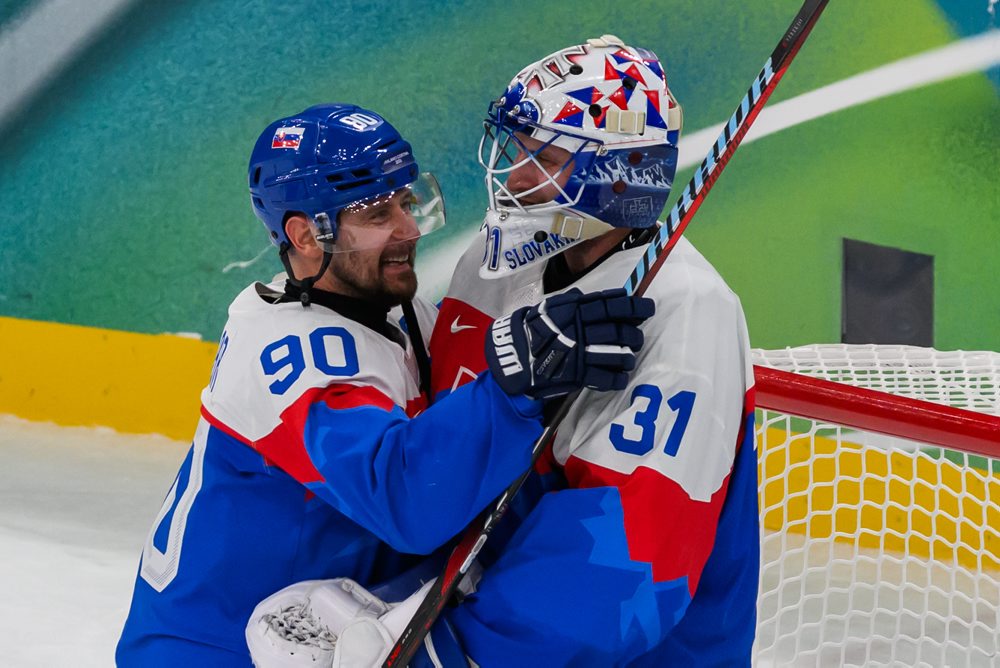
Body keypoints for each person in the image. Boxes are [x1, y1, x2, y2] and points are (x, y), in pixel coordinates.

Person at [247, 36, 759, 667]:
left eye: (544, 158)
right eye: (519, 151)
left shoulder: (686, 312)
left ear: (617, 174)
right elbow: (449, 470)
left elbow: (624, 564)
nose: (515, 177)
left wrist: (453, 653)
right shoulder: (496, 262)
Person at [116, 102, 653, 666]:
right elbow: (406, 502)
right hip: (214, 652)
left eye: (406, 202)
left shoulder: (393, 312)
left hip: (312, 638)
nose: (408, 230)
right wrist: (515, 382)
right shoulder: (295, 359)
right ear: (306, 235)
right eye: (376, 214)